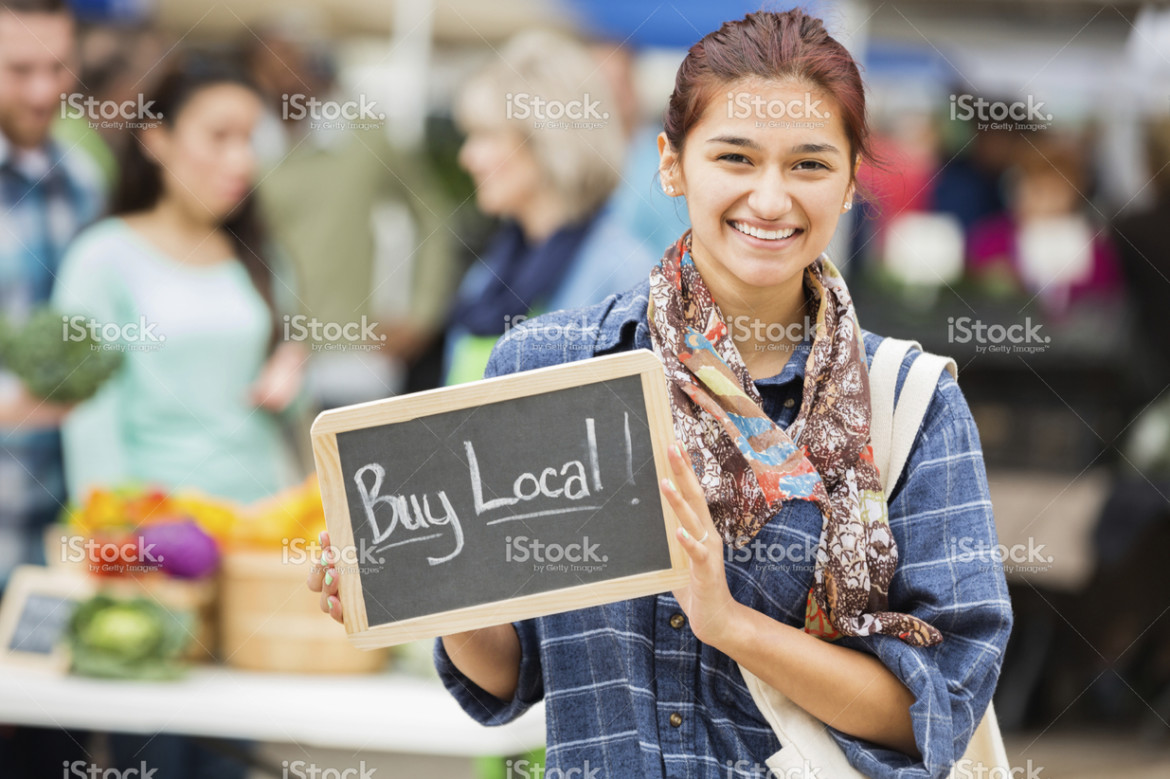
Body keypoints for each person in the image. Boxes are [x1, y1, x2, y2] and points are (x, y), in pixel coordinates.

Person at [310, 10, 1012, 777]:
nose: (771, 199)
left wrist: (732, 625)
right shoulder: (550, 367)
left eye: (809, 164)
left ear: (850, 182)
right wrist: (427, 585)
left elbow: (937, 711)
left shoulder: (907, 403)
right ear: (672, 164)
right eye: (735, 158)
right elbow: (512, 677)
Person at [53, 52, 305, 506]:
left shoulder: (263, 257)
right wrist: (121, 542)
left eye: (249, 139)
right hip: (161, 534)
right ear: (156, 139)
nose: (240, 160)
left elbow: (290, 402)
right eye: (219, 137)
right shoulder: (102, 259)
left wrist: (289, 378)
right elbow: (91, 423)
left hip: (269, 521)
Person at [442, 30, 656, 386]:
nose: (467, 158)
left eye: (487, 136)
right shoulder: (487, 277)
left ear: (549, 144)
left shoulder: (625, 277)